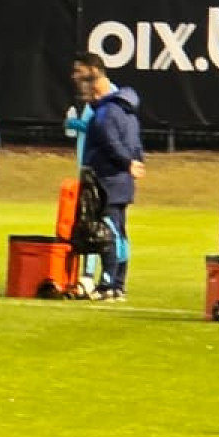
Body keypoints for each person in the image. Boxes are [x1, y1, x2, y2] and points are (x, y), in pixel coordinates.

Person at [73, 50, 145, 301]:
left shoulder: (104, 113)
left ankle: (108, 284)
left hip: (107, 181)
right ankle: (118, 283)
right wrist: (136, 162)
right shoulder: (128, 111)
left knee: (108, 232)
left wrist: (126, 163)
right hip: (122, 181)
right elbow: (134, 141)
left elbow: (109, 142)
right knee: (120, 232)